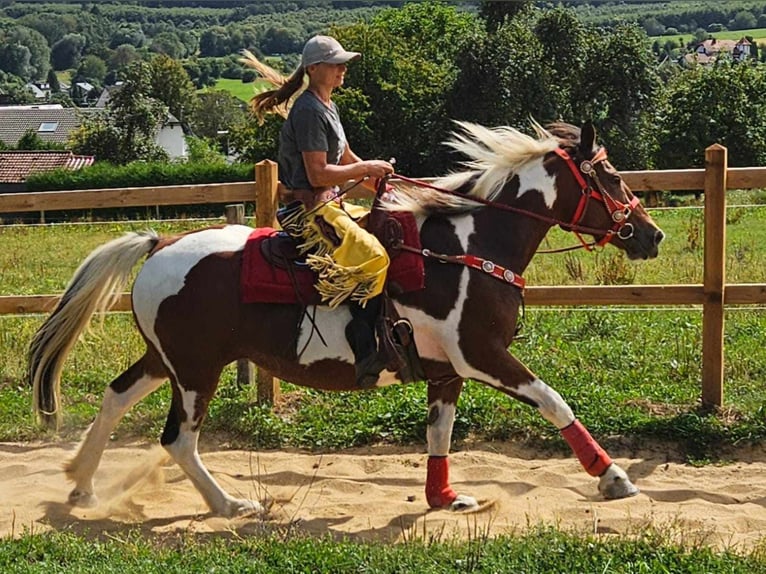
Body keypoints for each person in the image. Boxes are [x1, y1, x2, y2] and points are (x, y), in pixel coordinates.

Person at [250, 35, 395, 388]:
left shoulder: (327, 105)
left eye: (344, 63)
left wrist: (387, 187)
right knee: (374, 257)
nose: (343, 69)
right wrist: (367, 169)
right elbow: (318, 174)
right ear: (314, 69)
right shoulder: (310, 110)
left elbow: (346, 161)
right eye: (336, 64)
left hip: (329, 204)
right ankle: (361, 342)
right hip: (308, 212)